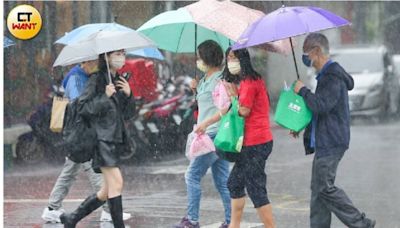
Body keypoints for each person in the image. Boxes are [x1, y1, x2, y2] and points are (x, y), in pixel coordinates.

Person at [293, 33, 376, 228]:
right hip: (325, 140)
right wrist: (300, 125)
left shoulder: (332, 76)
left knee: (324, 188)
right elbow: (321, 110)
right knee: (318, 191)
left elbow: (322, 105)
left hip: (332, 141)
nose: (305, 58)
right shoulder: (325, 76)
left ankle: (361, 223)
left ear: (316, 51)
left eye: (307, 53)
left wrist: (303, 91)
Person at [41, 60, 131, 223]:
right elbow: (79, 106)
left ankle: (61, 212)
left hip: (88, 134)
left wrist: (122, 94)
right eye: (93, 61)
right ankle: (106, 209)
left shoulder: (97, 77)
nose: (96, 64)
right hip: (83, 134)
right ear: (85, 62)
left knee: (72, 173)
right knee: (95, 174)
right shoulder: (77, 77)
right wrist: (101, 95)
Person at [174, 40, 231, 228]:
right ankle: (231, 222)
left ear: (207, 57)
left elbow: (224, 108)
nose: (197, 60)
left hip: (213, 135)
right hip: (207, 134)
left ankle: (192, 220)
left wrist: (206, 123)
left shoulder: (220, 80)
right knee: (222, 181)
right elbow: (204, 105)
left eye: (199, 57)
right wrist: (195, 89)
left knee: (192, 175)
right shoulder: (205, 79)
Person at [220, 48, 275, 228]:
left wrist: (234, 96)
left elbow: (244, 111)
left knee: (255, 188)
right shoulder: (248, 80)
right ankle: (233, 226)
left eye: (233, 58)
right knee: (235, 183)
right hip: (251, 143)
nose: (230, 62)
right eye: (228, 58)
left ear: (242, 59)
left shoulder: (250, 82)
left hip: (257, 142)